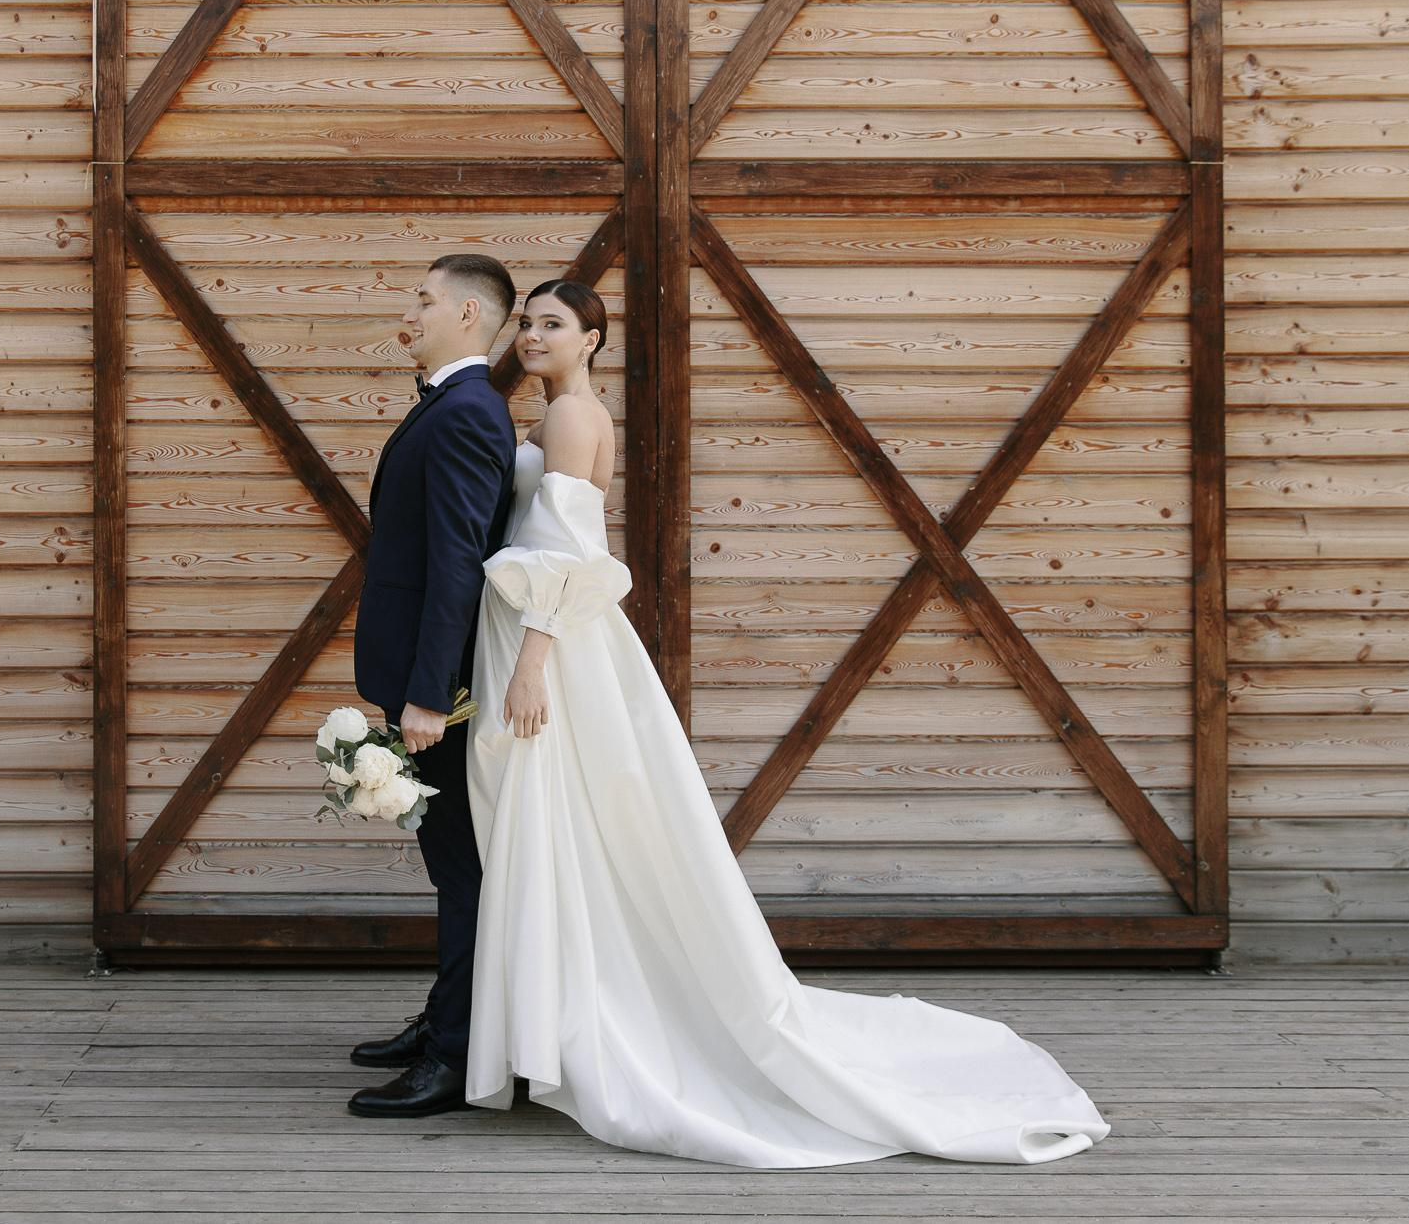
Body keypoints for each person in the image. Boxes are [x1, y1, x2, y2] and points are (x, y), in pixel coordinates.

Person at [459, 278, 1114, 1168]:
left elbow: (573, 546)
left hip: (556, 642)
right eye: (528, 322)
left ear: (592, 342)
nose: (533, 335)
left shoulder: (574, 418)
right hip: (547, 631)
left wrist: (533, 658)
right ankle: (553, 1015)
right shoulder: (550, 415)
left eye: (554, 324)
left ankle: (574, 1023)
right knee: (562, 823)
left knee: (563, 818)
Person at [344, 253, 519, 1119]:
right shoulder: (451, 406)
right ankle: (448, 1018)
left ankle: (456, 1053)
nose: (407, 311)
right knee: (452, 865)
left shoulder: (467, 413)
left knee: (462, 870)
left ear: (469, 317)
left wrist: (428, 694)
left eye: (422, 299)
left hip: (437, 687)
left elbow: (459, 563)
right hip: (420, 676)